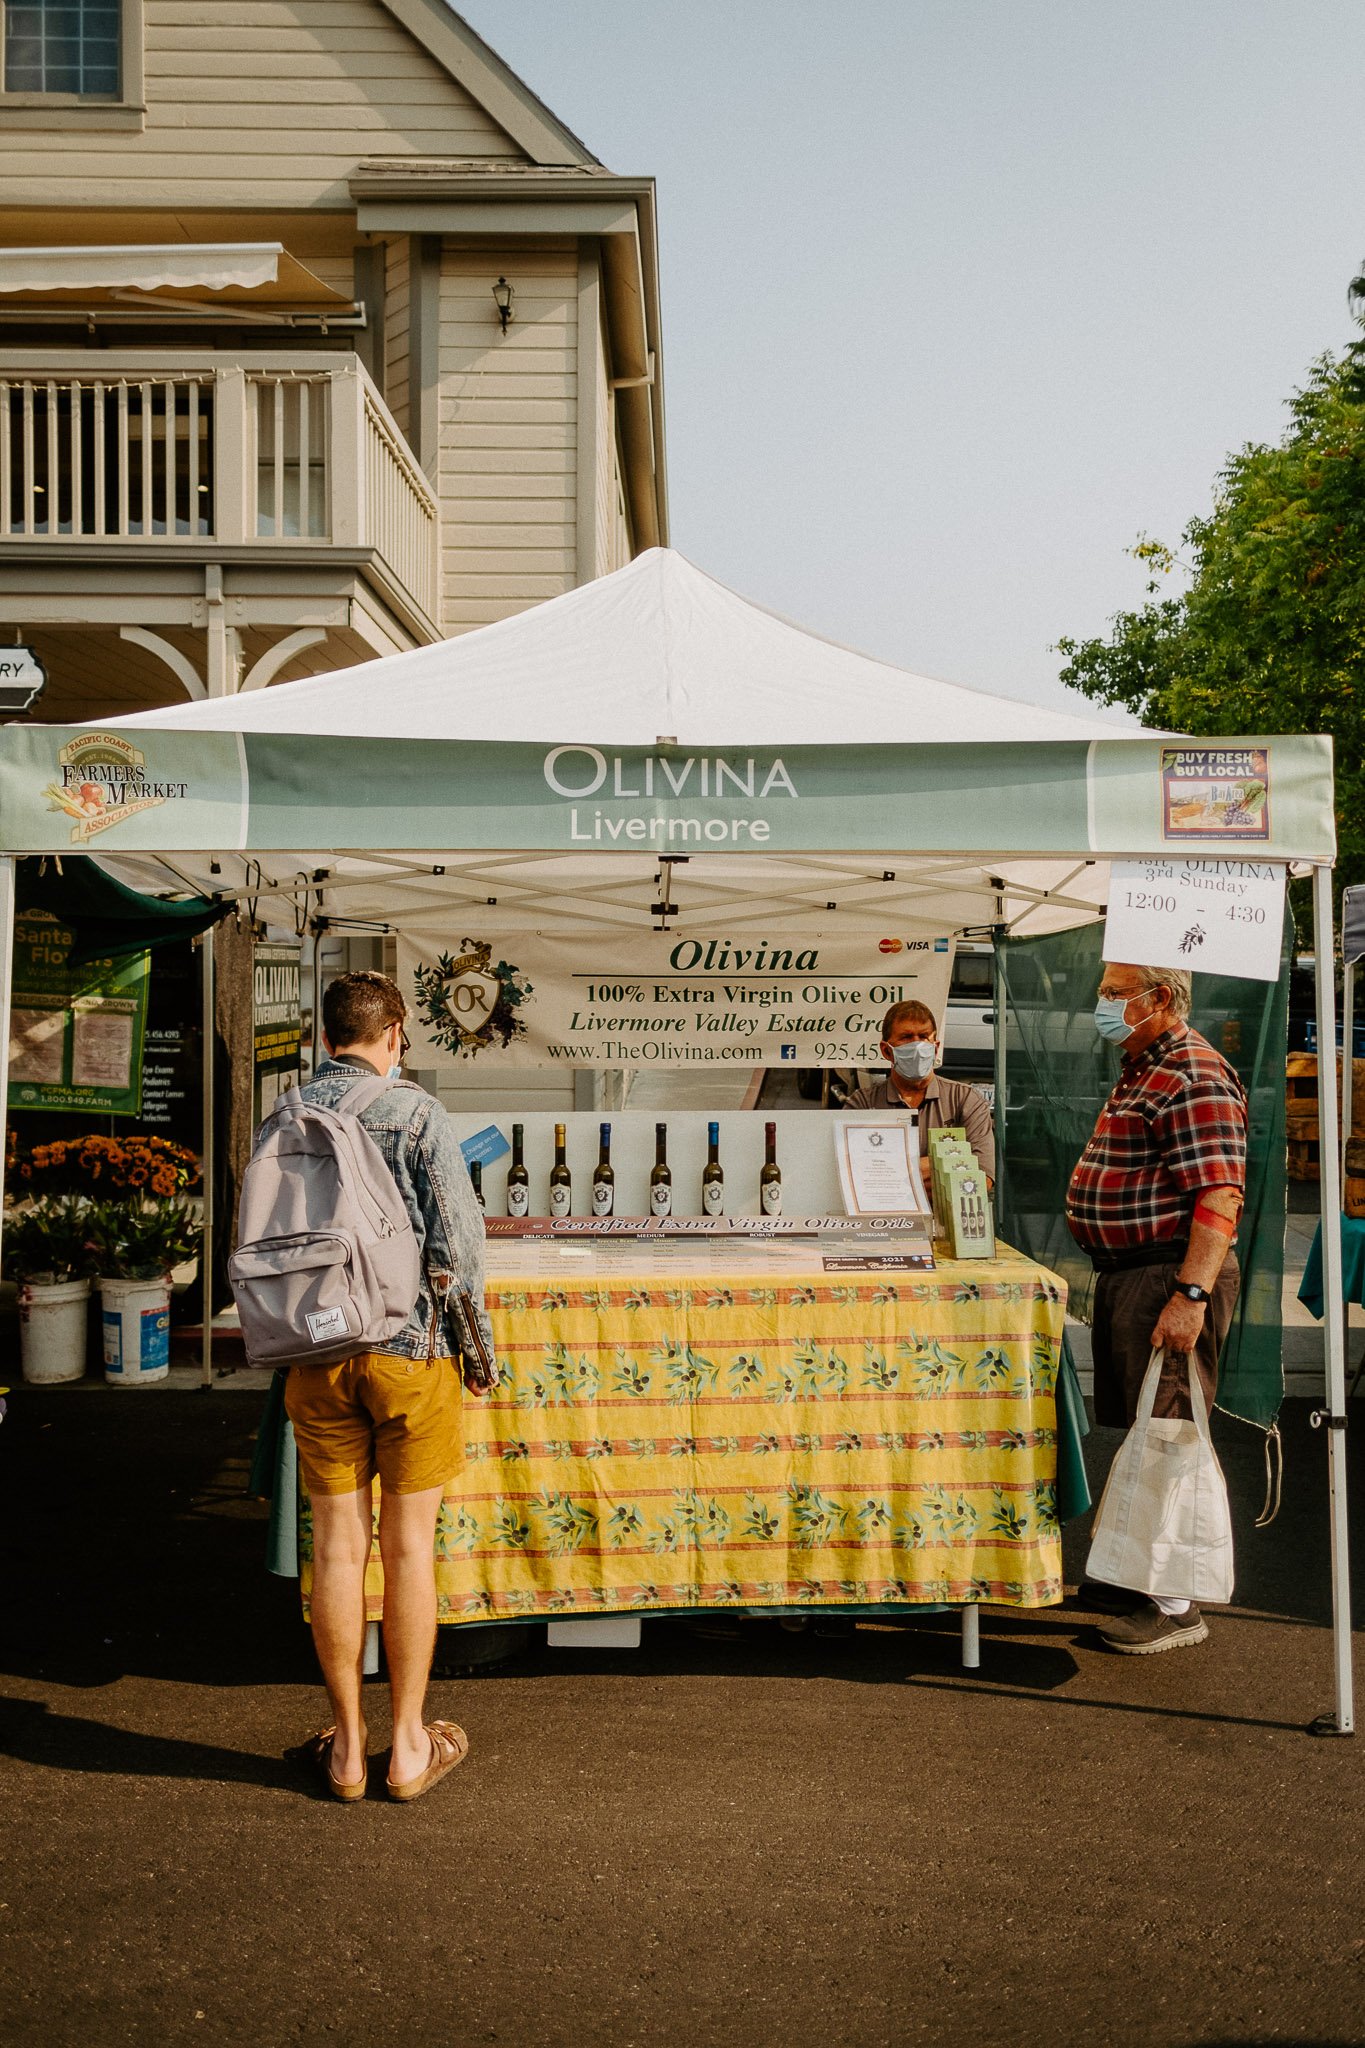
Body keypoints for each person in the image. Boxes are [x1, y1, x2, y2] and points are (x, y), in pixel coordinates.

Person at [282, 970, 497, 1802]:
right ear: (396, 1033)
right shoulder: (417, 1114)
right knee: (408, 1548)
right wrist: (478, 1358)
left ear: (325, 1034)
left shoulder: (286, 1112)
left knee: (338, 1549)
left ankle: (344, 1753)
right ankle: (407, 1749)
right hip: (410, 1350)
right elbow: (459, 1253)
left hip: (314, 1350)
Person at [1067, 961, 1246, 1655]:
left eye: (1115, 994)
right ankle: (1136, 1577)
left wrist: (1190, 1294)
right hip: (1134, 1275)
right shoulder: (1144, 1062)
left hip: (1168, 1276)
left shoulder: (1191, 1073)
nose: (1103, 1004)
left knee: (1169, 1431)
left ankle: (1173, 1604)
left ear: (1159, 999)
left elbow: (1218, 1194)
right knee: (1147, 1425)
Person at [842, 999, 996, 1182]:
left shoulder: (966, 1100)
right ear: (886, 1050)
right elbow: (852, 1175)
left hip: (942, 1212)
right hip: (887, 1211)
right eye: (906, 1037)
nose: (916, 1046)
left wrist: (888, 1173)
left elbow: (982, 1178)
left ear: (936, 1048)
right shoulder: (863, 1104)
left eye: (923, 1037)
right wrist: (948, 1167)